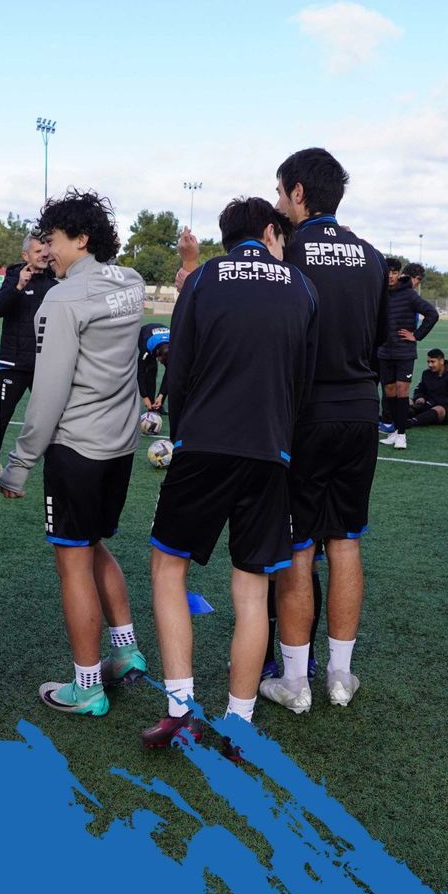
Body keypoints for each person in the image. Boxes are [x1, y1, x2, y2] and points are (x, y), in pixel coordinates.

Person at [150, 198, 316, 741]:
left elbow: (179, 367)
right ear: (269, 231)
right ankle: (239, 722)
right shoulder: (300, 285)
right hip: (270, 454)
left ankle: (180, 709)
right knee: (250, 591)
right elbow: (303, 379)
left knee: (168, 569)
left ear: (227, 238)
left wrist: (180, 434)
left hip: (202, 447)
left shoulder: (201, 281)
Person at [0, 190, 149, 719]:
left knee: (72, 563)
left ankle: (88, 685)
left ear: (81, 239)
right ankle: (126, 648)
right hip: (120, 446)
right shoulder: (129, 282)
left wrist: (17, 464)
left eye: (54, 240)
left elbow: (49, 392)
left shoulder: (62, 300)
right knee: (94, 546)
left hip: (78, 448)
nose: (47, 251)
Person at [269, 148, 389, 709]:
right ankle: (340, 674)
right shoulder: (370, 254)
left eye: (279, 191)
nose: (276, 202)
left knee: (297, 547)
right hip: (361, 412)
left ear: (298, 193)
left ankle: (294, 680)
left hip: (305, 415)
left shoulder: (288, 250)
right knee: (345, 542)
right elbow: (386, 342)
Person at [0, 235, 57, 444]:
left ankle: (56, 471)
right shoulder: (13, 278)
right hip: (13, 365)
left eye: (46, 252)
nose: (44, 255)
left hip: (44, 367)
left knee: (53, 421)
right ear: (25, 255)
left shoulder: (55, 282)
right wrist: (18, 286)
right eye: (38, 252)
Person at [377, 260, 439, 442]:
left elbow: (432, 314)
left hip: (404, 351)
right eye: (388, 272)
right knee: (389, 390)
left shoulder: (409, 294)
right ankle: (394, 430)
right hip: (384, 351)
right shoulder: (380, 293)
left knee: (402, 390)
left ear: (399, 274)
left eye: (394, 272)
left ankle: (402, 435)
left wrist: (417, 335)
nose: (390, 276)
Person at [390, 348, 448, 441]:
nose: (430, 365)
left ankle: (411, 422)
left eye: (433, 362)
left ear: (441, 361)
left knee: (439, 409)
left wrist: (433, 402)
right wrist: (419, 397)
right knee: (407, 400)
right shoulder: (426, 373)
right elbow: (419, 389)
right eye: (428, 362)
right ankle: (391, 417)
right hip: (427, 404)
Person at [137, 323, 170, 433]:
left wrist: (161, 395)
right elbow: (140, 372)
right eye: (161, 361)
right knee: (150, 370)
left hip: (165, 341)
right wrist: (144, 396)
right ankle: (151, 405)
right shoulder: (147, 348)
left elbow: (170, 374)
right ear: (157, 354)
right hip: (144, 333)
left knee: (172, 371)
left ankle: (159, 403)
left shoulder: (176, 346)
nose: (162, 364)